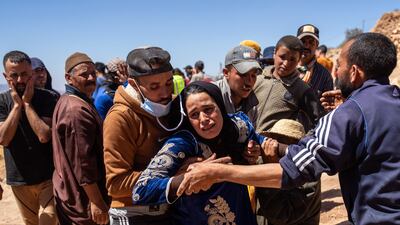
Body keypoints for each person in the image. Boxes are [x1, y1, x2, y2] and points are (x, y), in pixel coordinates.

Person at [177, 32, 400, 225]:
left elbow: (292, 169)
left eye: (339, 66)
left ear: (354, 72)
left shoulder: (344, 111)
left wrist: (219, 172)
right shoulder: (388, 100)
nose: (336, 72)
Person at [132, 81, 265, 225]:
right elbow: (141, 190)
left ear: (220, 105)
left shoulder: (236, 126)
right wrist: (190, 178)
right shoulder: (183, 143)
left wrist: (253, 148)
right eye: (194, 114)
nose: (203, 119)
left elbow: (264, 142)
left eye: (208, 109)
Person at [103, 46, 183, 224]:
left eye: (169, 83)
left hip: (166, 209)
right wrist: (175, 174)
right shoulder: (121, 118)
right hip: (133, 213)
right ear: (134, 85)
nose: (165, 93)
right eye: (154, 87)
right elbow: (116, 184)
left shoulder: (172, 107)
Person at [0, 50, 58, 225]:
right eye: (14, 75)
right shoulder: (2, 102)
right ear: (5, 76)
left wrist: (27, 104)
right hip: (19, 179)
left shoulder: (48, 98)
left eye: (24, 74)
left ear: (32, 73)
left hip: (48, 177)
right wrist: (17, 107)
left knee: (49, 219)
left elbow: (44, 135)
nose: (20, 80)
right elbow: (3, 138)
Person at [52, 52, 109, 225]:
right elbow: (83, 165)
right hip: (82, 201)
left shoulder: (75, 101)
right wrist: (97, 202)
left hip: (74, 194)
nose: (91, 77)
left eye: (93, 73)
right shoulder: (75, 110)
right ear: (69, 78)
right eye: (84, 74)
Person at [256, 119, 320, 225]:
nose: (274, 146)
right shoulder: (265, 161)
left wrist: (271, 169)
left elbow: (280, 216)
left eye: (281, 142)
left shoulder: (308, 176)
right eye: (272, 139)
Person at [253, 35, 322, 132]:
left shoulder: (302, 89)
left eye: (292, 59)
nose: (286, 63)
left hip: (272, 145)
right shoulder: (257, 80)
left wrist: (300, 143)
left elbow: (318, 123)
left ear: (298, 61)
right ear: (274, 54)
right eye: (282, 57)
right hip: (246, 143)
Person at [215, 45, 261, 127]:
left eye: (254, 75)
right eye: (243, 74)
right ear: (226, 73)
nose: (249, 81)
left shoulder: (253, 105)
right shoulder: (212, 96)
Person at [297, 24, 333, 97]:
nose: (306, 46)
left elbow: (327, 106)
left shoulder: (325, 76)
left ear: (317, 45)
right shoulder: (286, 67)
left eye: (311, 42)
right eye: (303, 41)